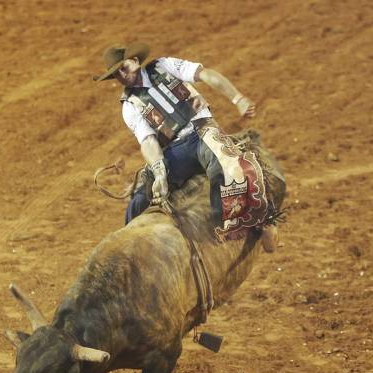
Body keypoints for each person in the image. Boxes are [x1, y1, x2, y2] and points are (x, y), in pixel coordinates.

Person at [94, 42, 277, 248]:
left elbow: (204, 74)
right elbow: (147, 140)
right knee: (140, 197)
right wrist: (158, 169)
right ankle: (126, 247)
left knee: (225, 167)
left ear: (135, 61)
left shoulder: (164, 65)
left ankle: (254, 224)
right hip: (176, 148)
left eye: (123, 67)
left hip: (204, 132)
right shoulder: (129, 105)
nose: (122, 75)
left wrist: (238, 98)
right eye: (116, 74)